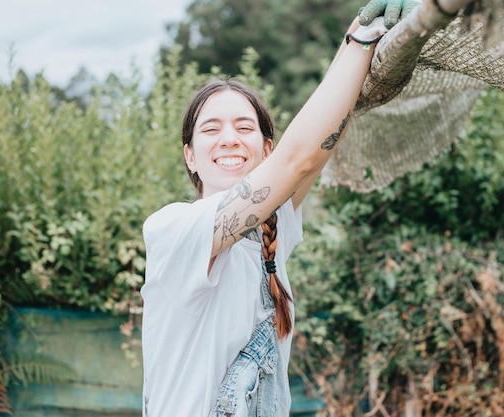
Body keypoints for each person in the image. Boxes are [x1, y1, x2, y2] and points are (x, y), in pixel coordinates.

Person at [140, 2, 414, 416]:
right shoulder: (174, 229)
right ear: (190, 156)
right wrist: (362, 40)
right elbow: (297, 158)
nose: (229, 138)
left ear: (266, 148)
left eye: (245, 127)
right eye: (210, 129)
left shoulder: (274, 225)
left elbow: (318, 142)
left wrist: (361, 25)